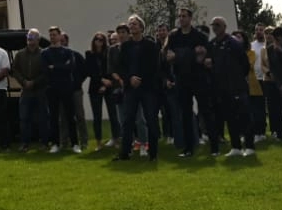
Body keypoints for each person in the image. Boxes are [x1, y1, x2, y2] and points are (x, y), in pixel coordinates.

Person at [113, 16, 161, 160]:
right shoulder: (126, 46)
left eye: (135, 24)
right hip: (130, 88)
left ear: (141, 27)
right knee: (128, 120)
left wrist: (141, 79)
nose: (132, 26)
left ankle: (153, 153)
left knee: (150, 119)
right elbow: (121, 67)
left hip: (147, 88)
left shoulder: (150, 45)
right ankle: (125, 152)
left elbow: (154, 67)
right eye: (130, 24)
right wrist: (129, 78)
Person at [207, 18, 254, 156]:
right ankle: (236, 147)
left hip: (237, 86)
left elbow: (244, 64)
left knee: (244, 117)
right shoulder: (213, 44)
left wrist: (237, 78)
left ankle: (250, 146)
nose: (215, 28)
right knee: (230, 117)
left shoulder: (233, 43)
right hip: (221, 87)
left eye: (218, 25)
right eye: (213, 25)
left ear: (224, 26)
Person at [163, 10, 207, 157]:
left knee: (205, 110)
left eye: (184, 16)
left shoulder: (198, 35)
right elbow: (168, 54)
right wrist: (176, 56)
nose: (181, 19)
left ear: (190, 18)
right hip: (181, 78)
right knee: (186, 114)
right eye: (179, 16)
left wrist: (181, 54)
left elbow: (202, 54)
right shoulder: (174, 36)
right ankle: (189, 148)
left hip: (198, 78)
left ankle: (214, 145)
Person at [41, 28, 82, 153]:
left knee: (71, 116)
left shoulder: (68, 52)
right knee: (53, 117)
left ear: (60, 36)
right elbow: (45, 69)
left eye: (55, 35)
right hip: (51, 88)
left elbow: (70, 67)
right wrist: (61, 67)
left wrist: (54, 67)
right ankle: (55, 143)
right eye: (51, 35)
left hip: (66, 87)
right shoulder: (45, 53)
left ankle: (75, 143)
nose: (52, 37)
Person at [10, 30, 48, 152]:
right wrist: (23, 81)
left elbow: (46, 72)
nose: (30, 40)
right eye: (29, 37)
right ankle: (25, 143)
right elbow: (15, 70)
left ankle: (44, 143)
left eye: (33, 38)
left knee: (43, 117)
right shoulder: (20, 54)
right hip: (26, 91)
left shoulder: (44, 54)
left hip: (40, 90)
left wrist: (35, 82)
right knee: (24, 118)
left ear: (38, 40)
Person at [85, 31, 116, 151]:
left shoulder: (107, 53)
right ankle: (98, 142)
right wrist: (101, 80)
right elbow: (90, 71)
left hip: (108, 86)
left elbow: (109, 69)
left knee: (113, 115)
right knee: (97, 116)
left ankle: (116, 139)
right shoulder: (89, 54)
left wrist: (106, 83)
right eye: (97, 39)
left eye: (101, 40)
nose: (99, 42)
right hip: (95, 87)